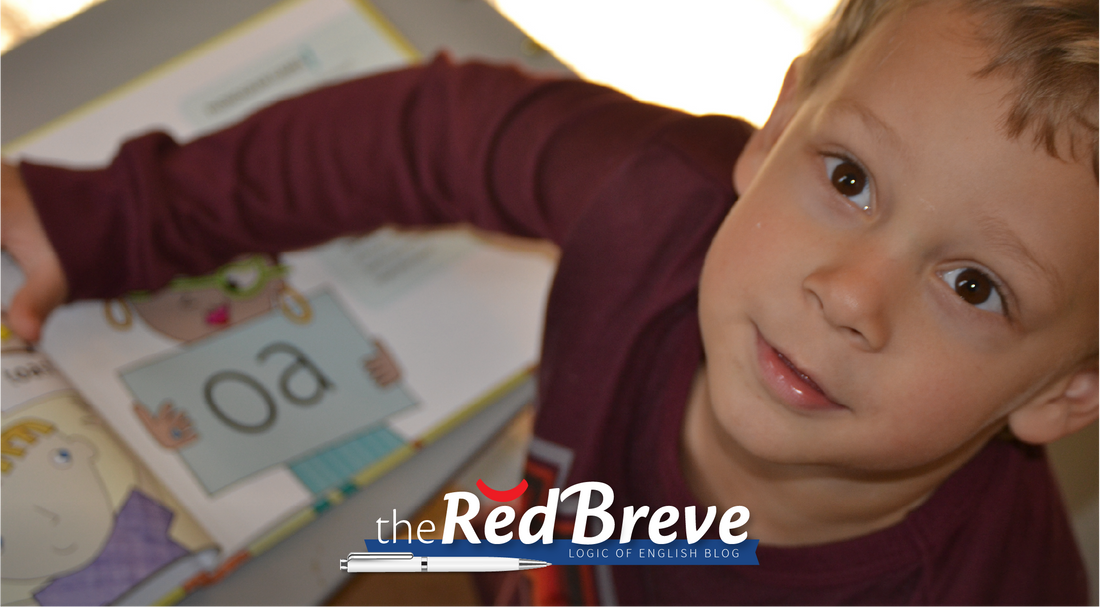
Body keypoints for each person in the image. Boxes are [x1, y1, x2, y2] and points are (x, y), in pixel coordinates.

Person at [1, 0, 1098, 604]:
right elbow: (433, 126)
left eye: (973, 285)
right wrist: (116, 219)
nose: (850, 295)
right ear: (777, 124)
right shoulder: (656, 197)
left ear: (1067, 386)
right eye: (848, 178)